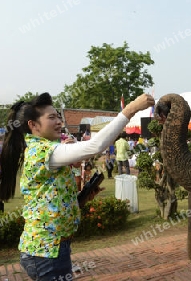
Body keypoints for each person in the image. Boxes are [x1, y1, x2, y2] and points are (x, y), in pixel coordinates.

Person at [0, 92, 154, 281]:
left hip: (49, 250)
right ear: (33, 125)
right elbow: (95, 146)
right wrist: (131, 109)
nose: (58, 121)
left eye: (58, 116)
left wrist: (79, 200)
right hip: (47, 253)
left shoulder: (43, 149)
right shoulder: (42, 151)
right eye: (51, 117)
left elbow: (49, 199)